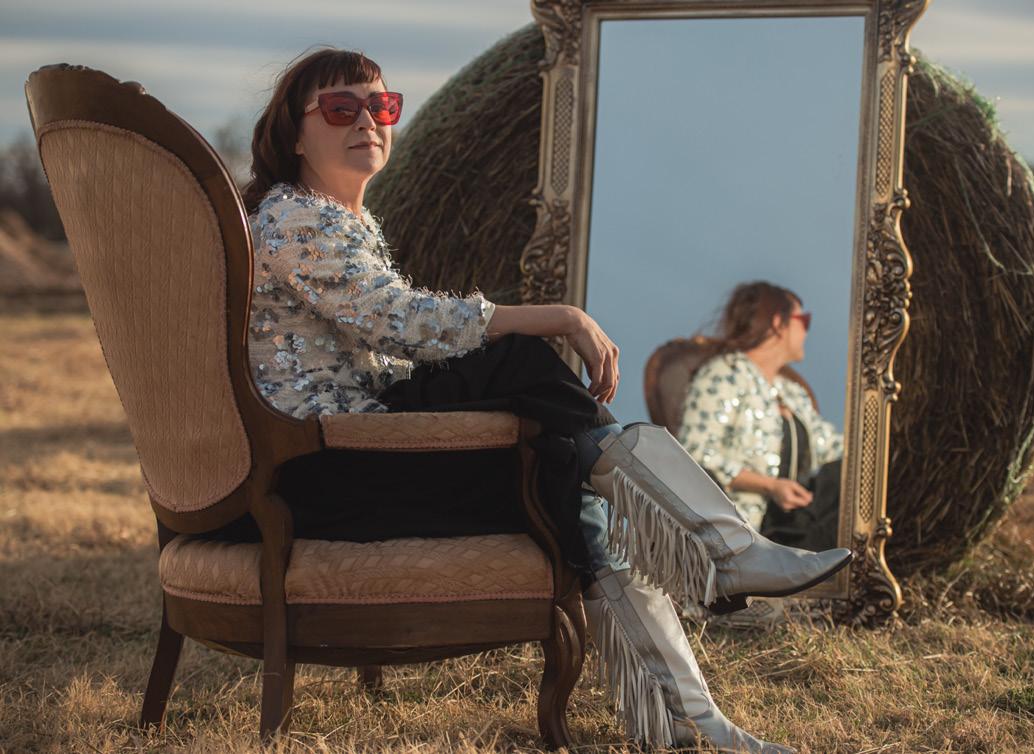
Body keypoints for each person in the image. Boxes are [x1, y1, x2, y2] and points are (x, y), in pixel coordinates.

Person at [238, 47, 852, 753]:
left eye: (382, 106)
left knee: (560, 461)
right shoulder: (295, 219)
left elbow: (396, 340)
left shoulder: (331, 218)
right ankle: (717, 589)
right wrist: (556, 316)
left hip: (357, 449)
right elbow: (400, 324)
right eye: (341, 108)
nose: (368, 121)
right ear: (294, 133)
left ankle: (693, 702)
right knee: (525, 364)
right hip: (326, 470)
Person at [677, 282, 846, 558]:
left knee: (844, 475)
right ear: (779, 323)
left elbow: (832, 448)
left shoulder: (791, 392)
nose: (806, 331)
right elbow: (693, 453)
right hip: (746, 529)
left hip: (796, 522)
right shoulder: (724, 374)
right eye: (803, 320)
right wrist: (770, 486)